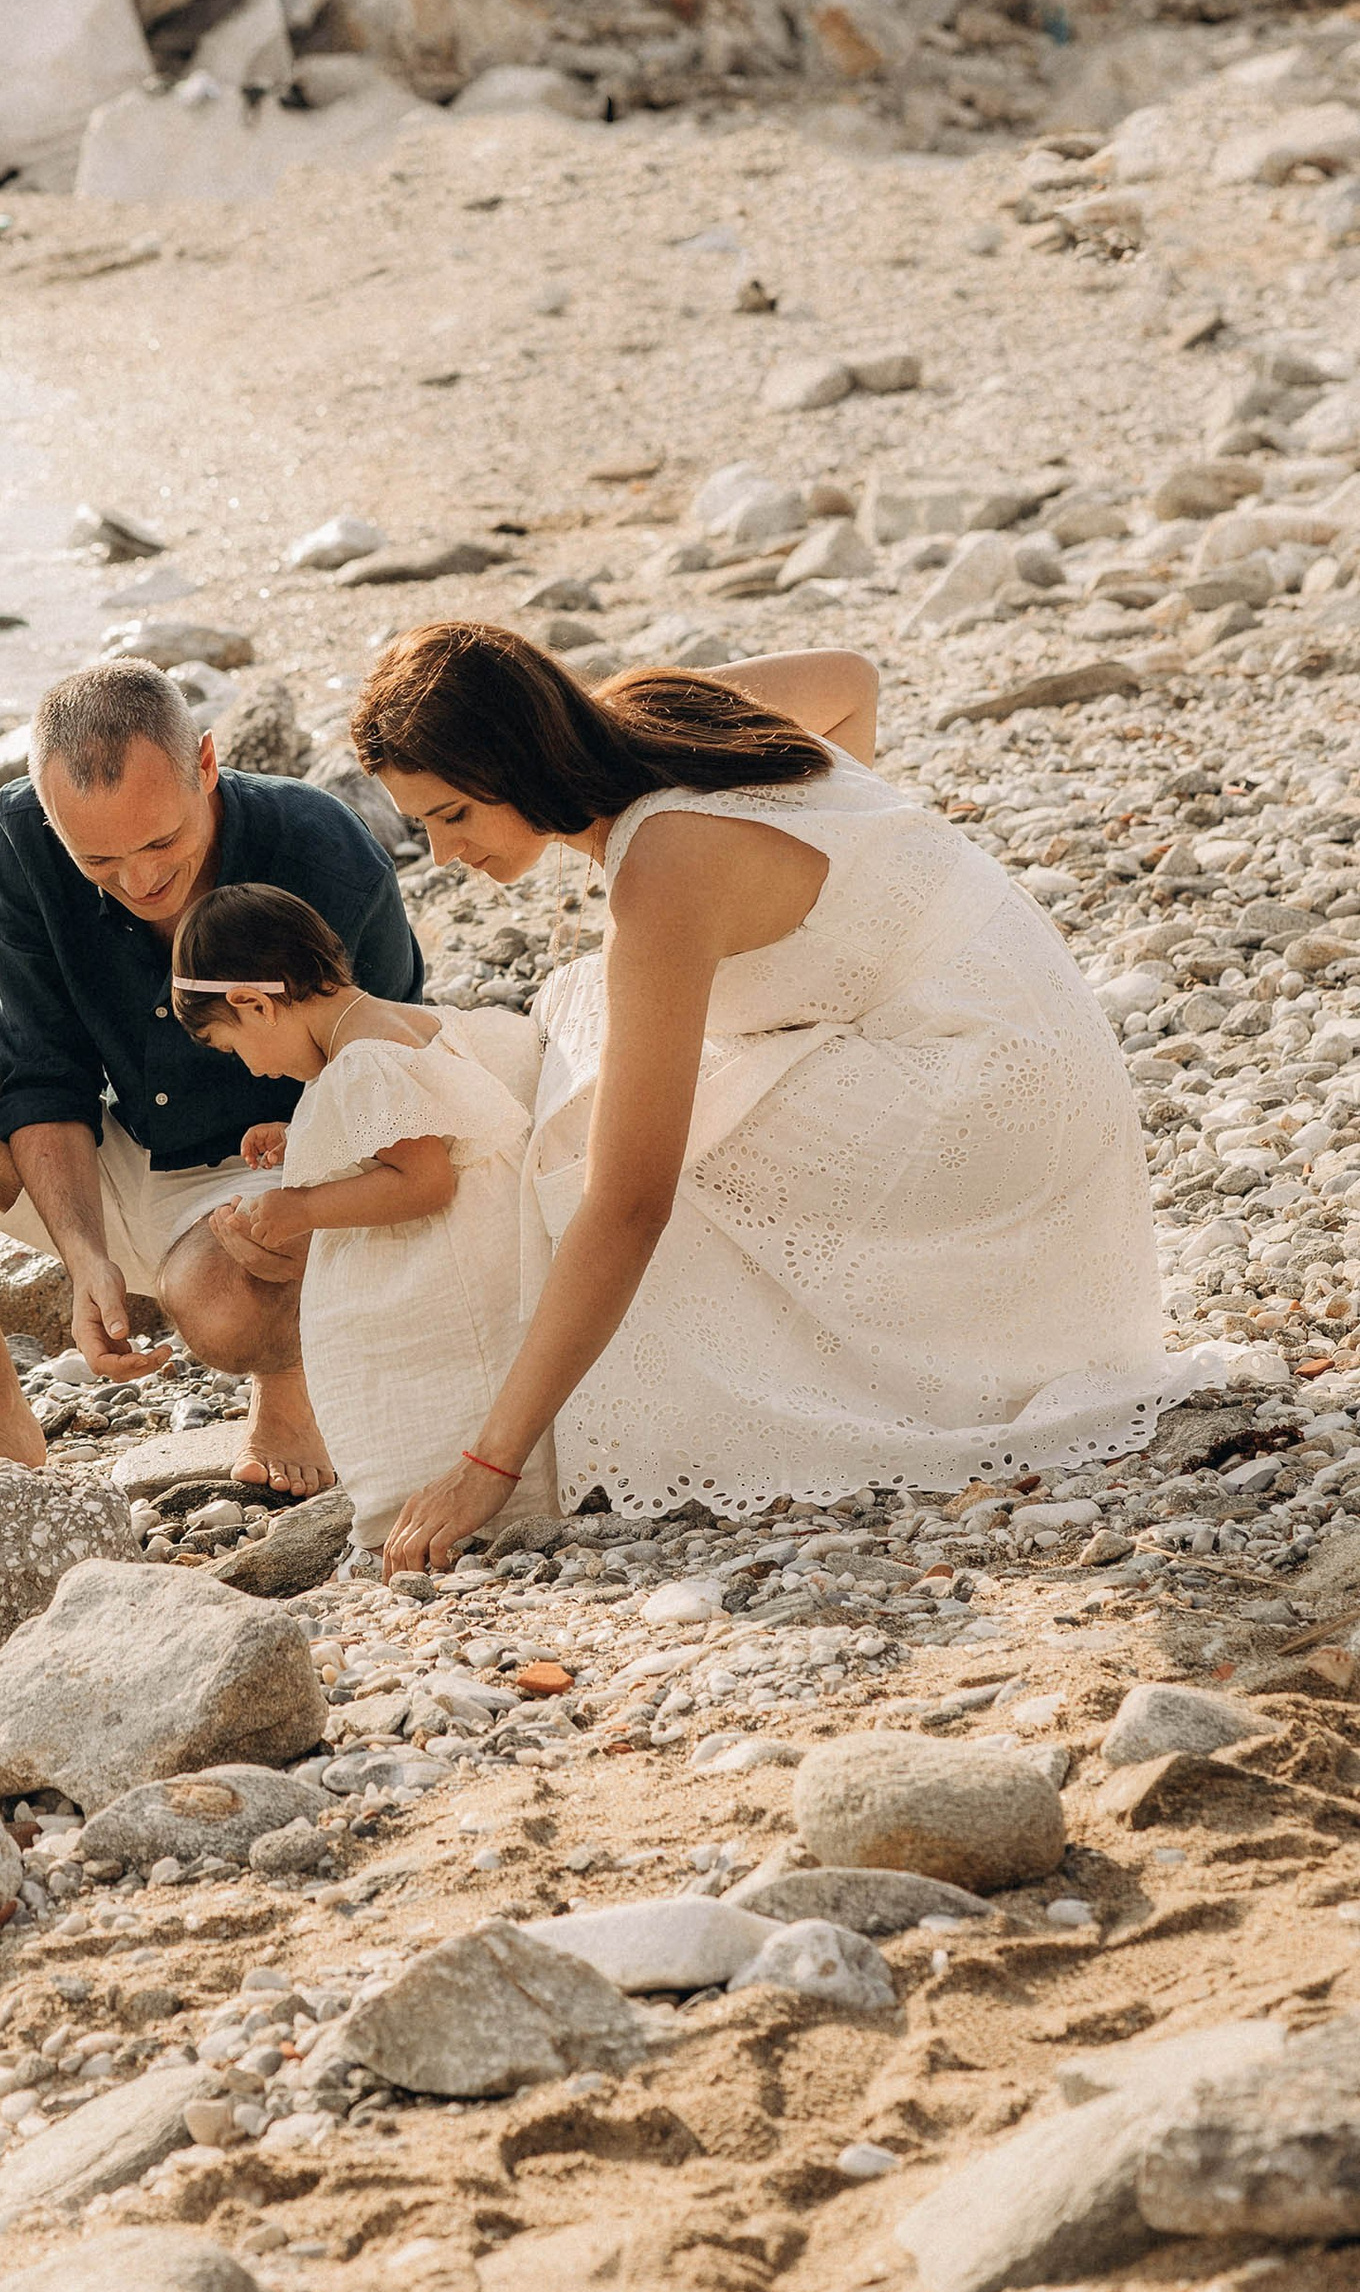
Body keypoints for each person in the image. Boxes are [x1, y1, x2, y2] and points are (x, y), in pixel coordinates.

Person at [339, 620, 1206, 1576]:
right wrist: (840, 930)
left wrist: (485, 1465)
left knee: (574, 1149)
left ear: (522, 759)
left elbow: (630, 1204)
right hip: (1034, 1017)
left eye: (454, 813)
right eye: (421, 823)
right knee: (594, 1033)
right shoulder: (659, 712)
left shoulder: (664, 866)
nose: (441, 854)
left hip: (994, 1099)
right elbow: (851, 680)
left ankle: (703, 1398)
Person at [0, 657, 423, 1497]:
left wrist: (301, 1196)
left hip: (287, 1163)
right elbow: (42, 1071)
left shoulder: (320, 850)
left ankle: (294, 1386)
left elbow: (390, 1080)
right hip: (116, 1149)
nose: (140, 881)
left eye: (162, 841)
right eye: (98, 861)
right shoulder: (24, 833)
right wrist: (84, 1252)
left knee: (221, 1308)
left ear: (205, 764)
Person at [170, 880, 532, 1555]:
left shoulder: (362, 1063)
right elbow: (415, 1127)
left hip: (448, 1278)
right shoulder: (396, 1025)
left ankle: (455, 1506)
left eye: (232, 1046)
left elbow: (424, 1180)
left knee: (441, 1393)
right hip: (497, 1252)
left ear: (253, 1004)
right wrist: (304, 1136)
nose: (251, 1068)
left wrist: (299, 1206)